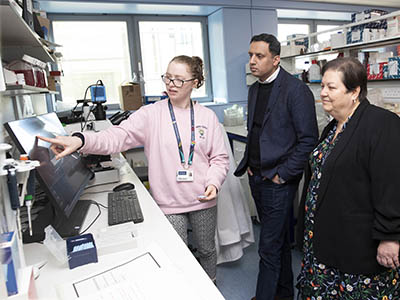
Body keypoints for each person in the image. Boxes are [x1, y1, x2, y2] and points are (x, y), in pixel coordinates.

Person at [39, 55, 229, 283]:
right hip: (169, 204)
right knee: (178, 255)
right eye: (168, 77)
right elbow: (118, 136)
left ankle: (211, 286)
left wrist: (213, 182)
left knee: (207, 250)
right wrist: (81, 140)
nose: (171, 84)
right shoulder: (151, 114)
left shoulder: (207, 117)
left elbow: (219, 158)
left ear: (195, 83)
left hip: (202, 199)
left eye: (179, 79)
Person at [296, 57, 400, 299]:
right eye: (322, 86)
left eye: (331, 87)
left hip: (358, 249)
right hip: (325, 243)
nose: (322, 93)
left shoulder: (382, 125)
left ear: (354, 92)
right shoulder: (333, 127)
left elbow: (392, 186)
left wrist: (390, 237)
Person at [234, 33, 318, 300]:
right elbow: (256, 131)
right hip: (256, 176)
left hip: (278, 181)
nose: (252, 61)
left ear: (276, 59)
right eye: (250, 55)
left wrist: (283, 175)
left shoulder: (295, 90)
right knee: (279, 244)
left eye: (259, 56)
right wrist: (249, 163)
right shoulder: (254, 89)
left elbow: (308, 140)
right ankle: (284, 295)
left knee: (268, 247)